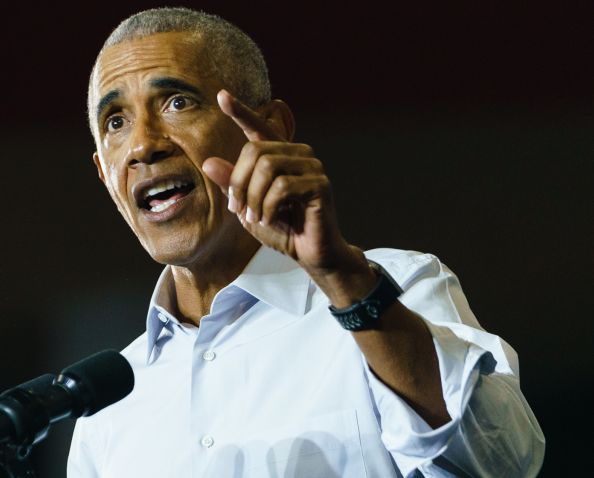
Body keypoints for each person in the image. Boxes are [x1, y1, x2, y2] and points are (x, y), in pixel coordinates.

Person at [68, 7, 544, 477]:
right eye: (115, 122)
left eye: (177, 102)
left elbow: (500, 462)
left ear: (271, 129)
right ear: (102, 175)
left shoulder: (396, 288)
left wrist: (344, 280)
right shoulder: (106, 408)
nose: (142, 145)